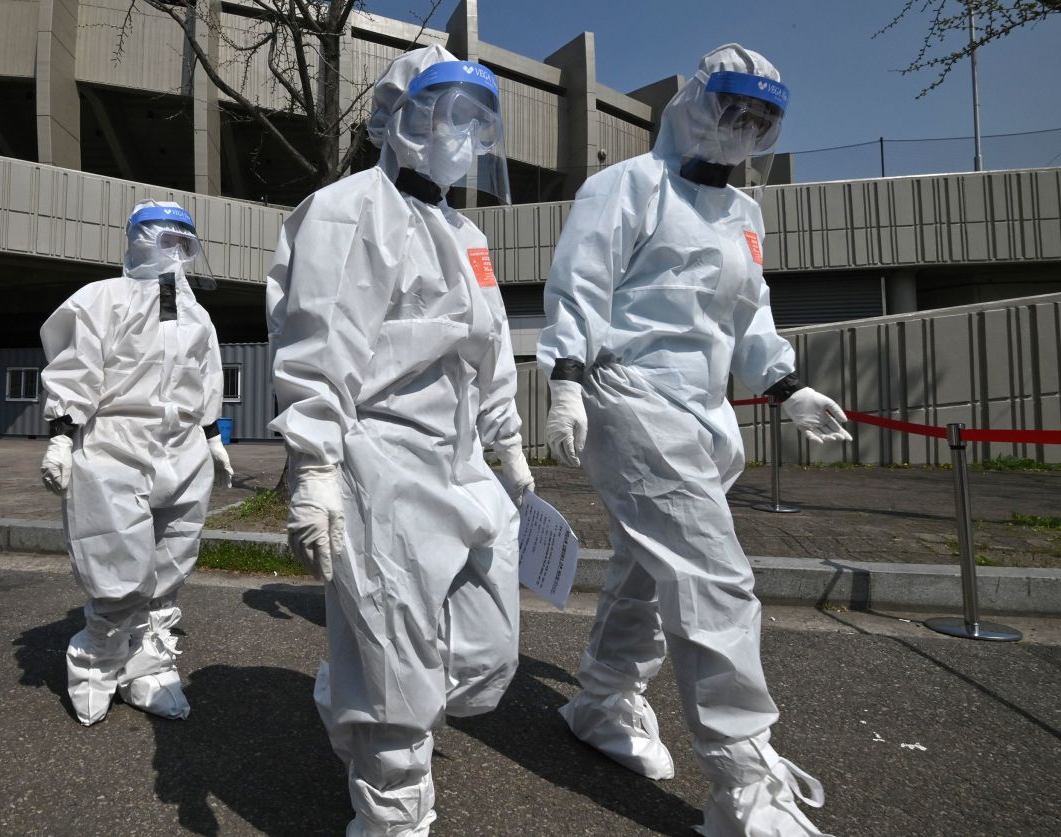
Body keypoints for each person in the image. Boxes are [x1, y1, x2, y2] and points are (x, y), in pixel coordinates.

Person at [537, 44, 850, 837]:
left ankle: (603, 697)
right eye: (730, 110)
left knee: (650, 565)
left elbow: (749, 315)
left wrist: (788, 387)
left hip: (704, 412)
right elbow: (580, 284)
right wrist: (566, 379)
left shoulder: (744, 215)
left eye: (760, 121)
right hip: (631, 396)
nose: (740, 130)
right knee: (714, 576)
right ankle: (743, 785)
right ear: (692, 102)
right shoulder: (628, 188)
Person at [267, 46, 534, 836]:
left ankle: (356, 684)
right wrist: (313, 465)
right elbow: (317, 343)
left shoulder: (466, 232)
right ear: (398, 116)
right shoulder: (351, 209)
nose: (461, 132)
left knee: (487, 656)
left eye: (476, 118)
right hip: (376, 462)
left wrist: (508, 443)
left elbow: (490, 348)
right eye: (445, 110)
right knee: (398, 679)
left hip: (461, 466)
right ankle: (391, 812)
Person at [38, 199, 234, 726]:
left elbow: (205, 376)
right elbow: (76, 366)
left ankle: (149, 670)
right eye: (162, 237)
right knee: (115, 562)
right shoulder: (100, 299)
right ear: (136, 239)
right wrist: (62, 433)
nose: (172, 249)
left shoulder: (196, 313)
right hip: (114, 443)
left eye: (181, 240)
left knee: (171, 561)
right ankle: (96, 664)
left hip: (185, 447)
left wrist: (213, 434)